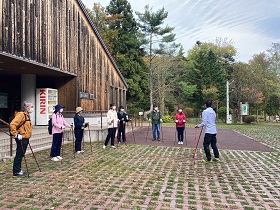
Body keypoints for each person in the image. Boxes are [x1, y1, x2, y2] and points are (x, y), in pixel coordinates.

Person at [10, 101, 33, 177]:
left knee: (21, 154)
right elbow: (12, 124)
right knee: (19, 154)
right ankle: (16, 171)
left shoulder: (27, 115)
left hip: (25, 137)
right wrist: (15, 134)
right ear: (26, 107)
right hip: (21, 138)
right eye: (31, 107)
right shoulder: (21, 114)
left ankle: (18, 170)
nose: (32, 108)